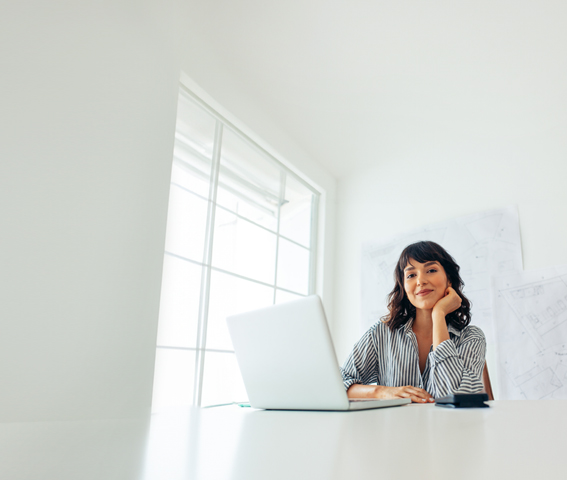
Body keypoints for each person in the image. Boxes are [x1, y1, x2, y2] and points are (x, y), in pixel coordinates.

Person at [342, 241, 486, 403]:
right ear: (404, 286)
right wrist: (380, 392)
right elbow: (339, 383)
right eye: (411, 275)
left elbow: (456, 398)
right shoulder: (381, 333)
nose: (420, 281)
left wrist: (438, 315)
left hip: (449, 428)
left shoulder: (471, 337)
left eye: (431, 270)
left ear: (449, 280)